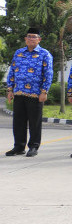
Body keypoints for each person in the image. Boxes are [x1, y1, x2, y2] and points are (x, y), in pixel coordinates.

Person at [5, 27, 53, 157]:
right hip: (19, 92)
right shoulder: (19, 53)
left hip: (35, 94)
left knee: (34, 122)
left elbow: (48, 74)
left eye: (34, 36)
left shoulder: (45, 54)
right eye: (29, 36)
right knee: (18, 121)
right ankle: (19, 146)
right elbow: (12, 71)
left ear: (39, 39)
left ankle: (33, 146)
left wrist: (44, 91)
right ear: (25, 39)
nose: (31, 38)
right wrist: (10, 89)